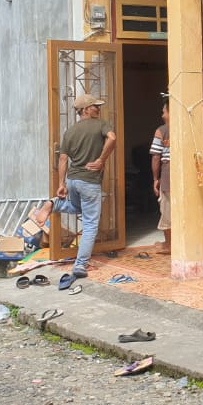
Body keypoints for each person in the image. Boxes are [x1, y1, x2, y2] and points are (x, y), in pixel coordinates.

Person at [52, 93, 116, 288]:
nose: (98, 109)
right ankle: (80, 264)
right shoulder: (101, 125)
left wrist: (61, 183)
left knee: (77, 207)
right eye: (95, 106)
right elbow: (112, 138)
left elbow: (63, 159)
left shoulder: (70, 131)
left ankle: (53, 204)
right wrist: (101, 160)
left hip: (72, 180)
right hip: (89, 181)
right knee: (90, 225)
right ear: (86, 110)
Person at [150, 100, 172, 254]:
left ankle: (169, 245)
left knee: (167, 209)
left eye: (164, 111)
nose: (162, 115)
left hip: (168, 173)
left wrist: (155, 179)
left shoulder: (161, 130)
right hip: (186, 173)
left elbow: (156, 157)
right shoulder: (187, 127)